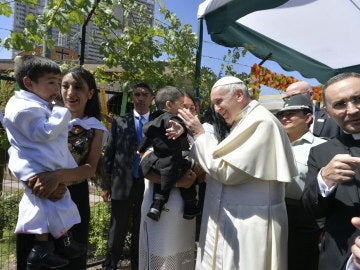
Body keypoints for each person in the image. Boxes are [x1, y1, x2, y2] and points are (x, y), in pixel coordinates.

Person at [178, 76, 297, 270]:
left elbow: (226, 171)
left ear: (239, 95)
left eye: (219, 101)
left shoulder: (261, 122)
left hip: (249, 223)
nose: (216, 109)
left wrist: (199, 134)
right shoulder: (246, 120)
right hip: (235, 219)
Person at [15, 65, 108, 270]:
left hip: (73, 197)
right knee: (36, 260)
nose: (69, 92)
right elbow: (21, 150)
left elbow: (90, 168)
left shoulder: (95, 127)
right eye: (64, 86)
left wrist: (57, 177)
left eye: (78, 87)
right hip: (37, 191)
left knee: (70, 263)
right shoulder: (41, 116)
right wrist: (34, 181)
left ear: (90, 93)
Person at [3, 56, 86, 269]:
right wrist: (60, 111)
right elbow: (45, 133)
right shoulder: (23, 108)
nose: (57, 89)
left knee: (55, 203)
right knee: (43, 204)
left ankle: (53, 244)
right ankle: (42, 248)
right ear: (29, 82)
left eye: (58, 83)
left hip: (47, 166)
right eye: (52, 82)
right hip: (38, 167)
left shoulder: (36, 103)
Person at [302, 72, 360, 270]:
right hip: (340, 258)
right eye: (340, 104)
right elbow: (310, 210)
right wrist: (324, 180)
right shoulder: (321, 153)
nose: (352, 110)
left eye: (357, 99)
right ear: (328, 112)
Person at [101, 83, 154, 270]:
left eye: (145, 94)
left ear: (152, 98)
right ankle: (110, 265)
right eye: (137, 94)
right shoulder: (119, 121)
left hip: (147, 185)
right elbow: (110, 152)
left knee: (141, 229)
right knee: (117, 229)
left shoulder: (158, 123)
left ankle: (137, 265)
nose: (140, 98)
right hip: (121, 184)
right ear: (132, 97)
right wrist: (105, 185)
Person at [277, 94, 326, 270]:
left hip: (303, 218)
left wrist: (322, 226)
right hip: (273, 213)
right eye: (282, 114)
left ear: (308, 117)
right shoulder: (273, 144)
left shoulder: (321, 147)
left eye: (292, 113)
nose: (285, 117)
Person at [138, 86, 201, 221]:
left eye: (192, 108)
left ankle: (191, 206)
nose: (187, 112)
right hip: (164, 216)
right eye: (184, 107)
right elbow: (146, 167)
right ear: (169, 105)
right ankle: (158, 205)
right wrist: (178, 183)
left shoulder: (199, 136)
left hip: (183, 216)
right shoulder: (168, 126)